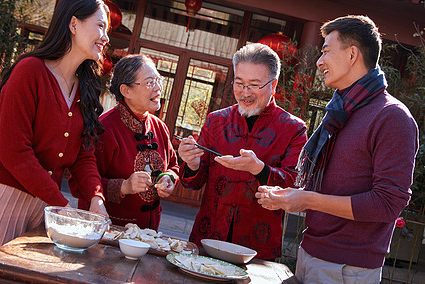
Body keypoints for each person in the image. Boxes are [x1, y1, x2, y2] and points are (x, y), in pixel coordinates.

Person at [256, 15, 419, 283]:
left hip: (348, 267)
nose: (319, 62)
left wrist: (308, 199)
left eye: (326, 52)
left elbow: (388, 204)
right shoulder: (340, 111)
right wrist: (296, 195)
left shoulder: (392, 117)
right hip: (311, 254)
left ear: (352, 54)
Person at [0, 0, 110, 278]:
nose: (106, 37)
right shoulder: (29, 72)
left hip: (45, 209)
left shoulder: (85, 87)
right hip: (2, 200)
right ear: (73, 24)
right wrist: (61, 204)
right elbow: (14, 152)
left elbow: (83, 156)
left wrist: (96, 199)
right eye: (100, 26)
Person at [177, 43, 307, 260]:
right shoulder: (216, 121)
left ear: (273, 84)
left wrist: (260, 170)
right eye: (239, 83)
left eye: (254, 85)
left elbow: (295, 184)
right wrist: (192, 164)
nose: (245, 93)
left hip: (257, 243)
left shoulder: (293, 128)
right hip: (208, 235)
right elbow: (194, 183)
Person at [72, 54, 179, 230]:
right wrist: (124, 186)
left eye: (158, 80)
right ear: (126, 91)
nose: (158, 88)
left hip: (147, 235)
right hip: (108, 232)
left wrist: (168, 178)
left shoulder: (159, 127)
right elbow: (79, 183)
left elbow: (174, 166)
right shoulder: (105, 128)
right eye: (149, 82)